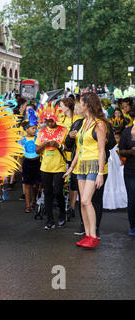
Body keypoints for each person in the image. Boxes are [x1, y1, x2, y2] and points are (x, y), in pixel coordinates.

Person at [64, 92, 108, 248]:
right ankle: (88, 235)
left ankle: (94, 236)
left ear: (88, 105)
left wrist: (101, 173)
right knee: (82, 203)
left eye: (81, 103)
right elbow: (79, 149)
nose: (78, 106)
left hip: (94, 164)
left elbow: (102, 150)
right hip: (81, 165)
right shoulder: (83, 123)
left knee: (85, 201)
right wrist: (71, 167)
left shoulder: (99, 124)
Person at [35, 103, 68, 230]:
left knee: (58, 191)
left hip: (59, 166)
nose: (49, 123)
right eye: (47, 120)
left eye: (52, 120)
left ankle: (62, 214)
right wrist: (45, 144)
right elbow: (37, 150)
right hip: (45, 167)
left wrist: (58, 145)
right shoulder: (41, 132)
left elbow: (69, 148)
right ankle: (49, 219)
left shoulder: (63, 130)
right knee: (47, 192)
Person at [59, 97, 82, 219]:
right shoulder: (60, 120)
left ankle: (72, 207)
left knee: (74, 182)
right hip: (61, 154)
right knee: (63, 182)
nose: (60, 108)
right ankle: (63, 204)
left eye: (61, 105)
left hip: (73, 156)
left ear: (67, 106)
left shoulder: (78, 120)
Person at [20, 110, 41, 213]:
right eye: (32, 128)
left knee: (35, 185)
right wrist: (19, 165)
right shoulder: (22, 140)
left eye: (35, 129)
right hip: (27, 163)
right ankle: (27, 205)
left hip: (37, 163)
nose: (34, 130)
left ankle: (34, 200)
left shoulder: (38, 139)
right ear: (26, 129)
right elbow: (20, 153)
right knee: (27, 184)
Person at [118, 125, 135, 236]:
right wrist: (131, 152)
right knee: (132, 199)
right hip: (131, 171)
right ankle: (133, 226)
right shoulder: (127, 131)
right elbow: (121, 151)